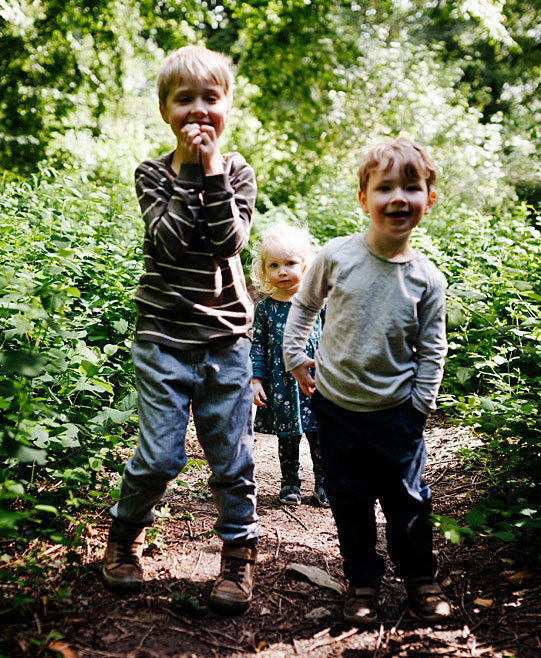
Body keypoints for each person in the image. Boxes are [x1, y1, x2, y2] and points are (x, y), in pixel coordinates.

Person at [101, 46, 259, 614]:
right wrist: (189, 171)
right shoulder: (151, 174)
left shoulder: (238, 171)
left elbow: (229, 242)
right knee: (161, 458)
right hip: (163, 339)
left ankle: (238, 559)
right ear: (165, 109)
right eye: (184, 100)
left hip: (225, 340)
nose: (198, 112)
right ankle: (124, 538)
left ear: (227, 107)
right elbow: (167, 240)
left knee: (232, 458)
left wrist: (212, 171)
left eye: (209, 100)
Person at [282, 138, 453, 625]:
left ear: (428, 199)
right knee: (350, 500)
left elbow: (433, 348)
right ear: (364, 198)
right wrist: (295, 355)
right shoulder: (337, 257)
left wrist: (420, 407)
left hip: (397, 412)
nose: (398, 198)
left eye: (411, 187)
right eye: (385, 188)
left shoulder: (426, 279)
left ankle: (421, 577)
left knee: (408, 501)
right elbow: (304, 306)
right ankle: (362, 581)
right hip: (336, 409)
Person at [249, 222, 329, 507]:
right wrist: (256, 380)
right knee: (288, 436)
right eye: (274, 265)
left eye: (290, 263)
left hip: (316, 382)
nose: (282, 271)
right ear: (264, 270)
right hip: (281, 386)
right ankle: (290, 483)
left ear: (305, 265)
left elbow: (334, 335)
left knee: (321, 434)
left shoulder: (317, 301)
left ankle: (324, 482)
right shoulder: (266, 308)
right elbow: (257, 345)